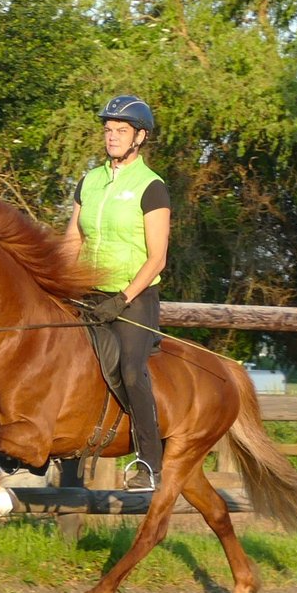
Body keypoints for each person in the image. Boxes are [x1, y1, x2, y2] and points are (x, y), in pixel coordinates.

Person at [64, 94, 170, 493]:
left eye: (120, 131)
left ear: (139, 137)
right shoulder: (89, 181)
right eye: (108, 130)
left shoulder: (151, 187)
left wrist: (122, 298)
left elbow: (157, 258)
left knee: (129, 369)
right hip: (88, 292)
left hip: (134, 299)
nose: (111, 137)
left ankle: (149, 461)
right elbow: (73, 237)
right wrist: (60, 280)